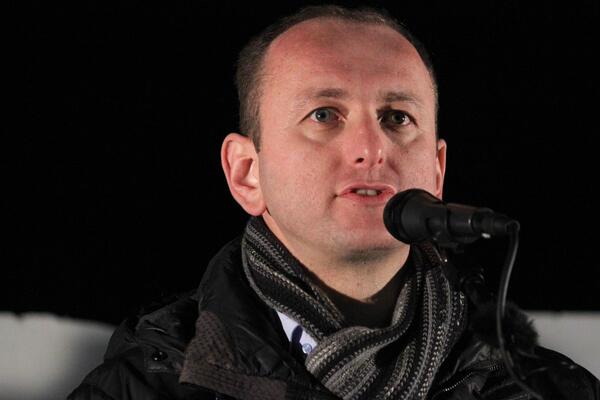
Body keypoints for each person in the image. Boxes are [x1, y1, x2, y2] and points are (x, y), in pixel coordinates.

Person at [68, 5, 599, 400]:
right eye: (324, 115)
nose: (371, 148)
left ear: (437, 172)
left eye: (397, 118)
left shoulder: (552, 390)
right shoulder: (136, 388)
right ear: (246, 173)